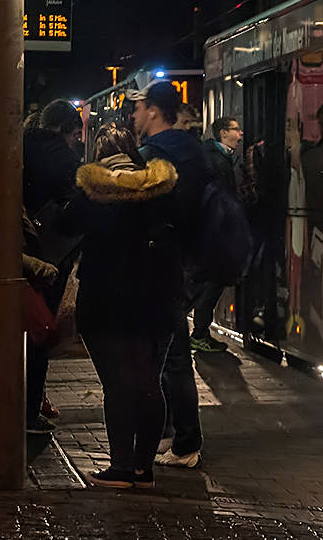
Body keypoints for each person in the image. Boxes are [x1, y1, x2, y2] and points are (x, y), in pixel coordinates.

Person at [66, 124, 182, 489]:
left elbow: (65, 224)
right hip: (160, 299)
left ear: (97, 155)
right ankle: (142, 469)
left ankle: (120, 467)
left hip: (107, 301)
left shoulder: (93, 192)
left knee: (118, 385)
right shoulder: (160, 189)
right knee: (149, 383)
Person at [129, 81, 207, 468]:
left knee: (170, 355)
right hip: (189, 262)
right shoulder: (196, 150)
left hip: (159, 264)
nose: (134, 115)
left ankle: (185, 442)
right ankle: (171, 433)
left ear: (155, 111)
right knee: (167, 351)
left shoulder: (151, 155)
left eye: (139, 107)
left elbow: (139, 216)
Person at [22, 100, 84, 434]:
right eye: (75, 134)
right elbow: (77, 211)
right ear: (63, 129)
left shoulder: (19, 144)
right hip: (47, 258)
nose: (75, 141)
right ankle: (30, 410)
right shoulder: (62, 158)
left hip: (17, 253)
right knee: (39, 331)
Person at [187, 116, 244, 353]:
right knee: (212, 282)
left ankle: (200, 331)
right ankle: (199, 333)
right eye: (235, 130)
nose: (240, 134)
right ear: (223, 133)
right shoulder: (216, 161)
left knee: (212, 282)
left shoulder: (219, 157)